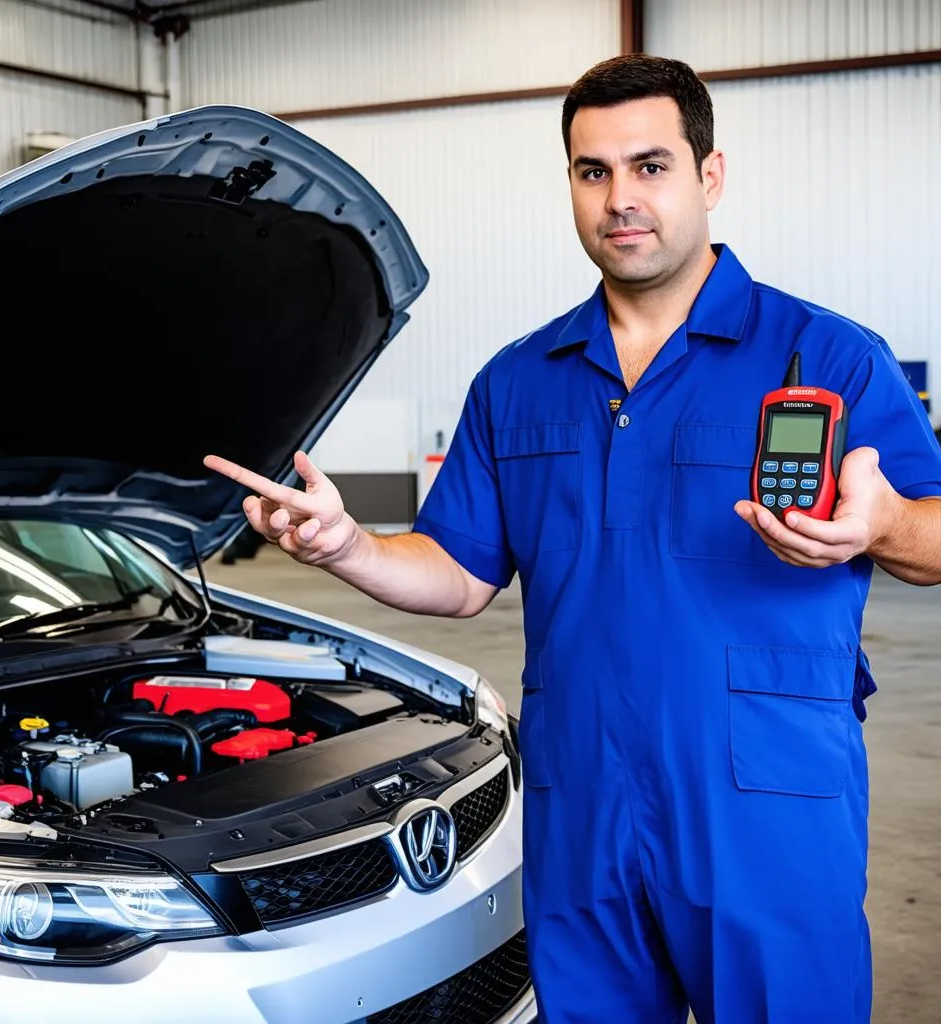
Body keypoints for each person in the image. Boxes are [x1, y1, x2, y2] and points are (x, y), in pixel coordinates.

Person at [204, 53, 941, 1024]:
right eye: (592, 172)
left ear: (708, 176)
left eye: (649, 166)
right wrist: (346, 545)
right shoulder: (519, 381)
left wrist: (882, 520)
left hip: (767, 814)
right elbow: (462, 573)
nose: (619, 198)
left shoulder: (828, 355)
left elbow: (928, 535)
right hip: (583, 805)